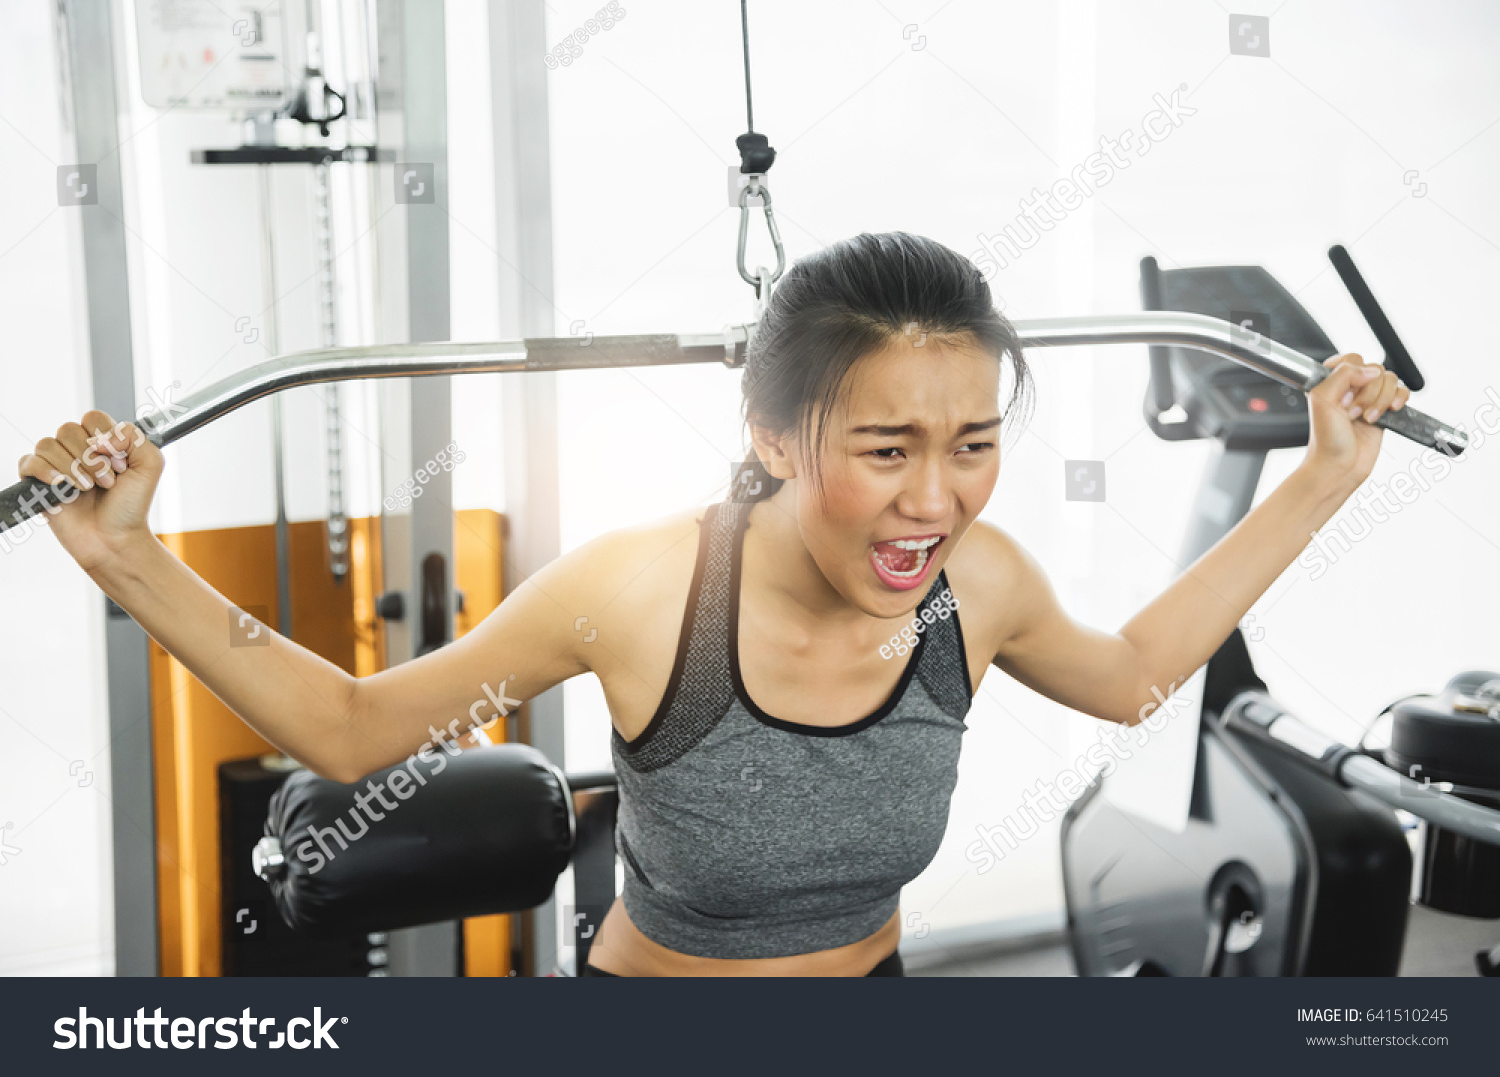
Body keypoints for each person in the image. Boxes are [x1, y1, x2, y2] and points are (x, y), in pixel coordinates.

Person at [18, 231, 1408, 977]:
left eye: (974, 443)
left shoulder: (975, 584)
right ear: (772, 434)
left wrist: (1329, 476)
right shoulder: (642, 586)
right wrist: (127, 559)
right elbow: (352, 724)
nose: (937, 500)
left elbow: (1130, 674)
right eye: (885, 449)